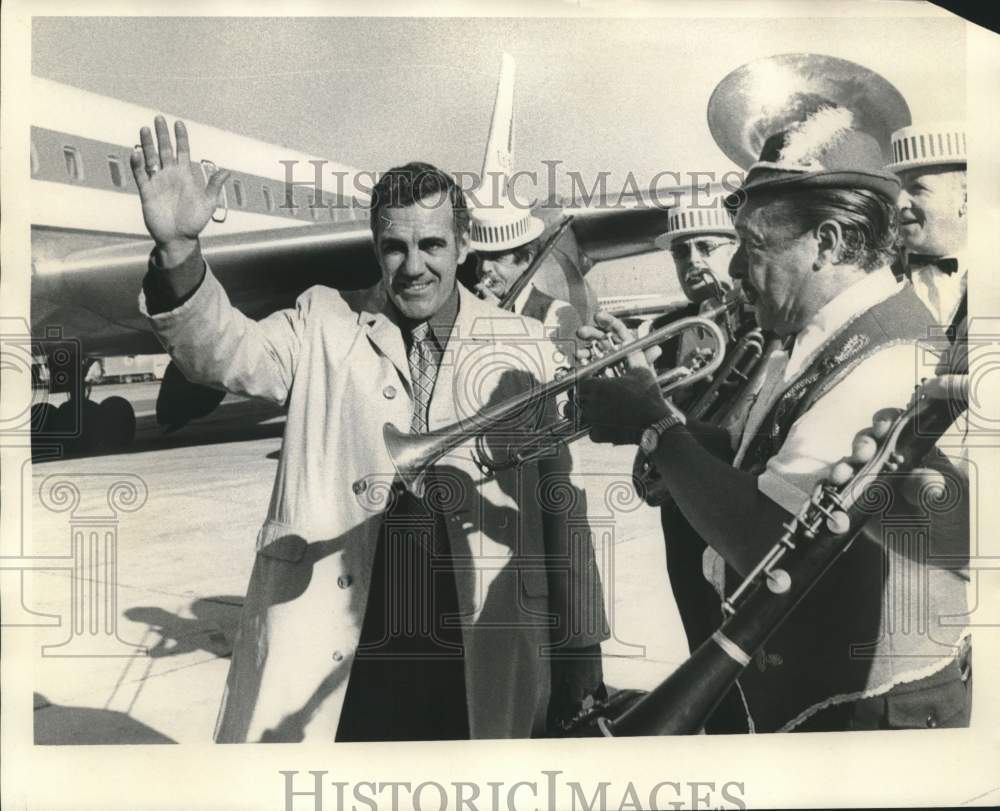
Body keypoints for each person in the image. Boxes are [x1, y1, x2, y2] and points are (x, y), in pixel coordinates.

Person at [131, 116, 607, 742]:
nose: (414, 266)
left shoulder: (522, 346)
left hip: (478, 646)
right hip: (346, 647)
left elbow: (560, 508)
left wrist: (581, 648)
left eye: (432, 245)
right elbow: (221, 353)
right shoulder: (322, 317)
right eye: (395, 247)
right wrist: (180, 252)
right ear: (374, 245)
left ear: (463, 246)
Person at [574, 108, 970, 732]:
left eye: (753, 247)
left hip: (862, 716)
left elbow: (768, 544)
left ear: (830, 244)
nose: (734, 270)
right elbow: (771, 467)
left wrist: (657, 426)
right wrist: (684, 432)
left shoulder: (887, 356)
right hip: (816, 699)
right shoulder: (826, 335)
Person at [887, 121, 967, 331]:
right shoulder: (878, 279)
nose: (899, 203)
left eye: (917, 188)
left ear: (965, 198)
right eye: (897, 189)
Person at [468, 202, 583, 343]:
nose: (485, 267)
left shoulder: (559, 314)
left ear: (526, 260)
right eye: (480, 257)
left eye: (497, 257)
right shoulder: (470, 310)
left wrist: (499, 323)